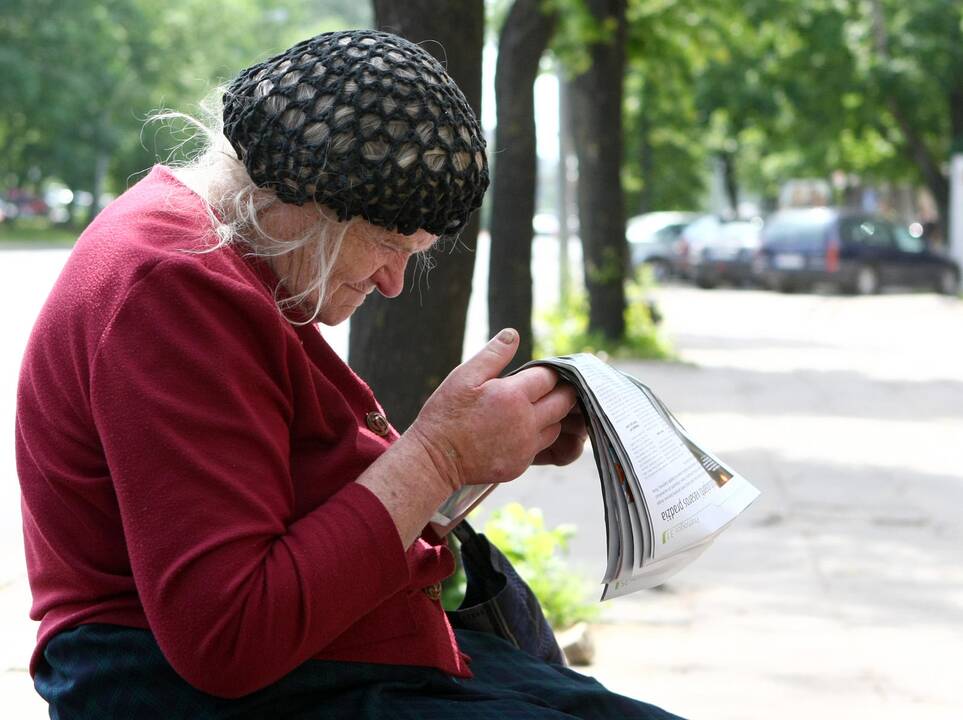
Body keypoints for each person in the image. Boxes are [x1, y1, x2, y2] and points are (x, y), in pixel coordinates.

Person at [16, 30, 683, 719]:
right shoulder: (173, 283)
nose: (393, 282)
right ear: (310, 198)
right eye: (388, 245)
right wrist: (438, 456)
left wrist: (480, 454)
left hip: (334, 653)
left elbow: (308, 501)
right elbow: (229, 636)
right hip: (172, 680)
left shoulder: (236, 258)